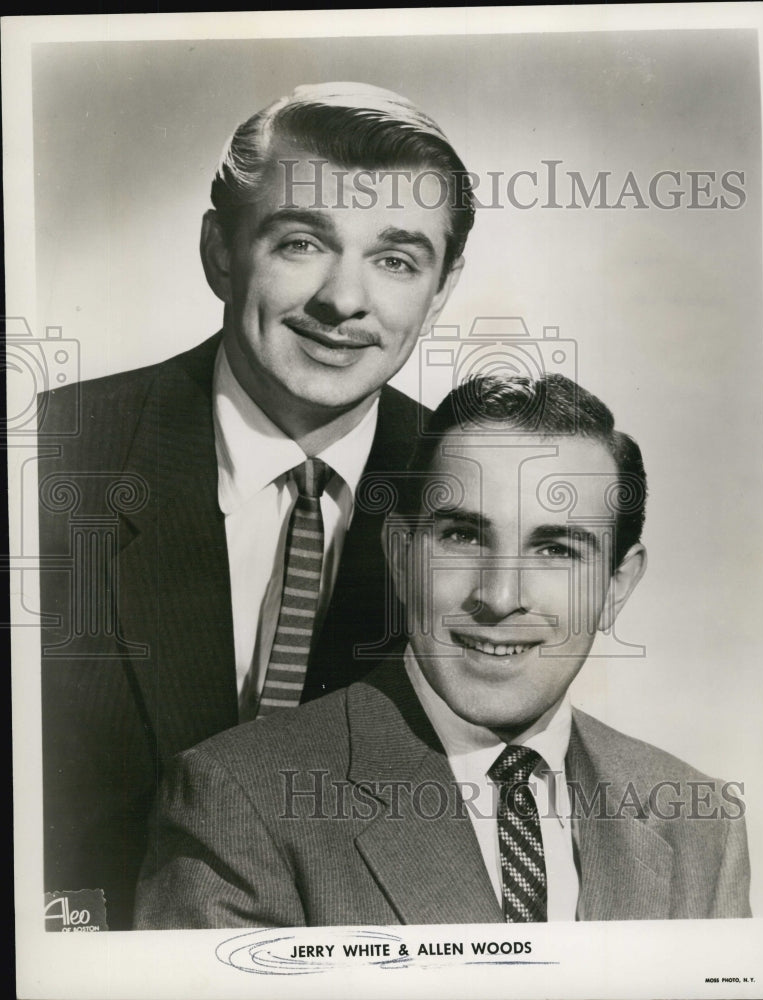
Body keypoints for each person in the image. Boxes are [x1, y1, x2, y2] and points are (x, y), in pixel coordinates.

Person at [37, 82, 474, 929]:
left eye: (395, 259)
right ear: (220, 252)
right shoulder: (45, 460)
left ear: (443, 285)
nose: (343, 302)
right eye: (302, 242)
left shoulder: (472, 495)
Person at [134, 373, 751, 928]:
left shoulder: (698, 820)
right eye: (462, 536)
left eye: (556, 549)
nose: (501, 597)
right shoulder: (239, 801)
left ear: (617, 585)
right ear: (402, 558)